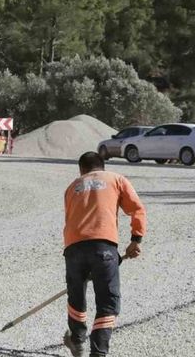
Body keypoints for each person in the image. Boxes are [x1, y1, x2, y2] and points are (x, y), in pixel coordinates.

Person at [62, 152, 147, 357]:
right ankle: (98, 353)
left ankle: (76, 341)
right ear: (102, 167)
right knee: (107, 301)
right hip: (104, 247)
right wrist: (136, 239)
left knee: (76, 297)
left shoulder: (72, 187)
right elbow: (137, 209)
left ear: (81, 170)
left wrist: (85, 262)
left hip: (73, 248)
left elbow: (71, 219)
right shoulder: (116, 179)